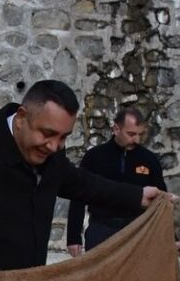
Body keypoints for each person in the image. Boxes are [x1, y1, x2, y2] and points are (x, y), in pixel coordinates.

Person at [0, 80, 160, 271]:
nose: (54, 146)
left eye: (63, 137)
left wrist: (138, 196)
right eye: (47, 134)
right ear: (22, 117)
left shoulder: (52, 156)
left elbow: (84, 184)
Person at [67, 107, 167, 256]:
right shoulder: (94, 157)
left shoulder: (149, 160)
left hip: (138, 232)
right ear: (116, 129)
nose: (137, 140)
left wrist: (172, 238)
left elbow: (162, 202)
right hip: (101, 230)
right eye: (131, 134)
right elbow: (78, 196)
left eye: (140, 135)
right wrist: (73, 237)